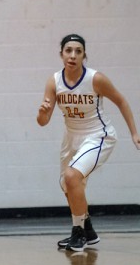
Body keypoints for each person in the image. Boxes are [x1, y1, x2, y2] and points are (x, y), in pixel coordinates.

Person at [37, 34, 140, 252]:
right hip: (71, 138)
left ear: (84, 55)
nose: (73, 55)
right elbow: (43, 122)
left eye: (78, 51)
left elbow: (121, 101)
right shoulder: (54, 81)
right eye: (68, 50)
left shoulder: (95, 79)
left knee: (72, 176)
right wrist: (42, 113)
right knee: (68, 185)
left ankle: (79, 233)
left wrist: (134, 133)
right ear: (61, 54)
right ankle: (89, 230)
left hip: (98, 135)